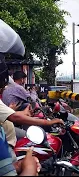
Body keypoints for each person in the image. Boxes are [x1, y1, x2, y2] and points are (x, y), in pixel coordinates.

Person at [0, 18, 41, 176]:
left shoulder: (11, 89)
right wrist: (29, 166)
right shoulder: (18, 89)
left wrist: (16, 167)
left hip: (10, 129)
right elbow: (27, 104)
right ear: (21, 79)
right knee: (30, 139)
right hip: (12, 131)